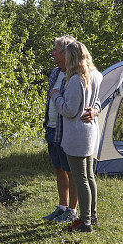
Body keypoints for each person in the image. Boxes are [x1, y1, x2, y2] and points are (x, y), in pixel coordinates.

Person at [42, 36, 98, 223]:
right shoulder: (55, 73)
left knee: (75, 173)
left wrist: (95, 110)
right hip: (52, 129)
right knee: (59, 169)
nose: (53, 53)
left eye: (56, 50)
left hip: (69, 130)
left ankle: (75, 212)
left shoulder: (78, 76)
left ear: (67, 53)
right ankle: (62, 206)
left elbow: (84, 102)